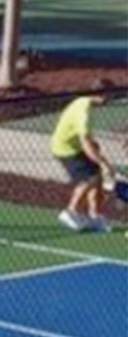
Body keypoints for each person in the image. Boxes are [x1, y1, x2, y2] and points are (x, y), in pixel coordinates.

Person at [49, 86, 117, 232]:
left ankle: (95, 216)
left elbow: (86, 140)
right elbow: (85, 142)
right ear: (101, 95)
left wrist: (97, 155)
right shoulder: (83, 111)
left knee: (96, 177)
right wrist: (103, 163)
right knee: (89, 178)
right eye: (109, 96)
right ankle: (70, 211)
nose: (109, 100)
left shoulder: (84, 103)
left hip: (75, 146)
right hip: (64, 148)